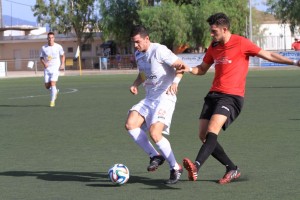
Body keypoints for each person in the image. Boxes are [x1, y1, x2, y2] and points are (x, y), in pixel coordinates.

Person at [179, 13, 300, 184]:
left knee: (213, 129)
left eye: (214, 31)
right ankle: (231, 168)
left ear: (224, 29)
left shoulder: (241, 42)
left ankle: (196, 166)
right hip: (213, 95)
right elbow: (203, 69)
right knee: (203, 135)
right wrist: (189, 69)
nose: (211, 34)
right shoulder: (214, 46)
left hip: (232, 97)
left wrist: (294, 63)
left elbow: (269, 55)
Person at [125, 25, 185, 184]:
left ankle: (175, 167)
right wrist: (135, 84)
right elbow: (143, 74)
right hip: (150, 98)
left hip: (166, 96)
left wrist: (176, 82)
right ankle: (155, 156)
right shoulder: (138, 54)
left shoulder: (159, 50)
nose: (135, 46)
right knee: (130, 124)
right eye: (133, 43)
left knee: (154, 132)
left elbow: (181, 66)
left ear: (147, 39)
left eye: (138, 42)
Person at [40, 32, 65, 107]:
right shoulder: (44, 48)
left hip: (55, 67)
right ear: (47, 38)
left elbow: (63, 55)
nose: (50, 39)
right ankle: (55, 91)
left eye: (52, 37)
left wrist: (62, 64)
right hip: (47, 68)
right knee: (47, 86)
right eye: (49, 38)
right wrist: (44, 63)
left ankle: (52, 101)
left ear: (54, 38)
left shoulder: (58, 46)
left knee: (53, 83)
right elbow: (41, 58)